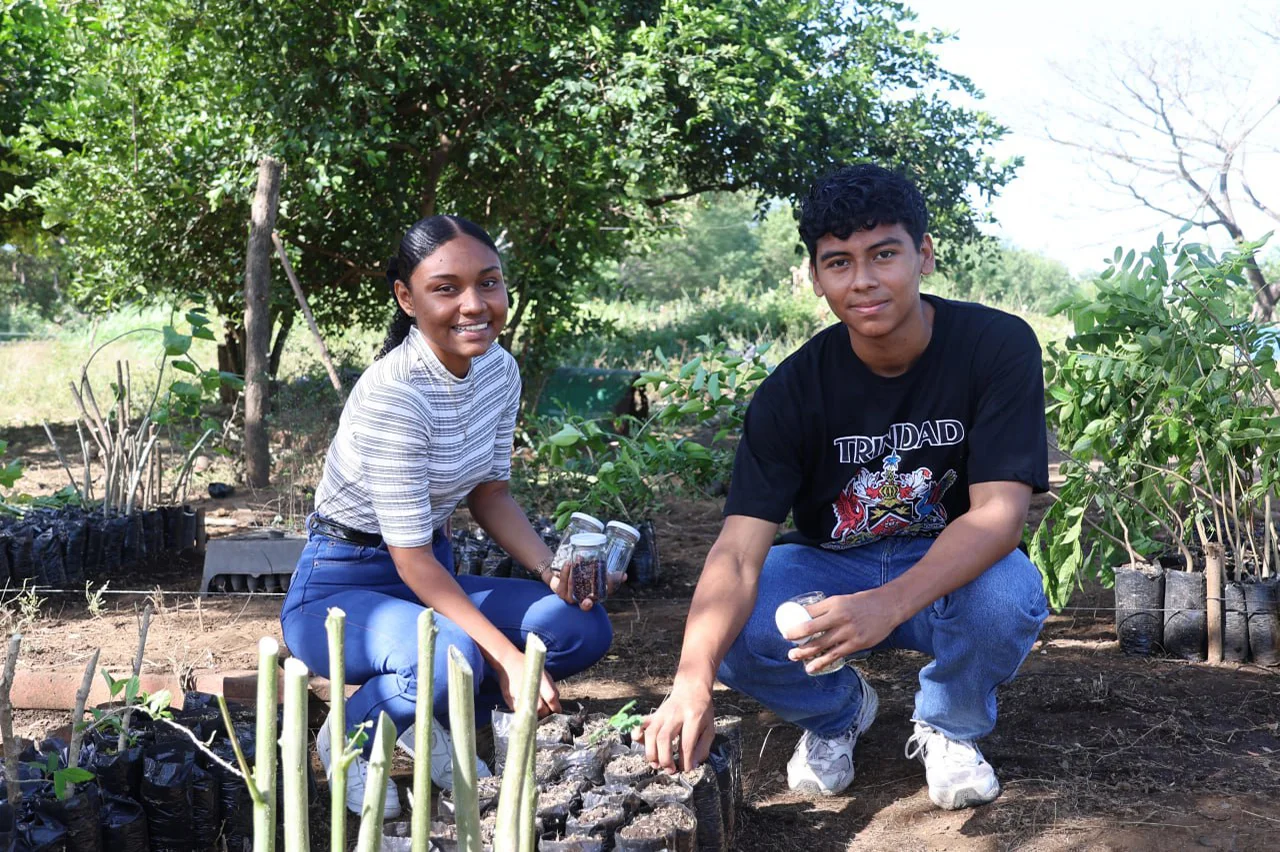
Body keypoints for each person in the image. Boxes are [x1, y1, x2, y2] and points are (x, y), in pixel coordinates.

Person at [635, 164, 1049, 810]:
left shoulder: (996, 348)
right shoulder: (791, 392)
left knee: (1010, 594)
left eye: (884, 254)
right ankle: (837, 714)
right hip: (831, 567)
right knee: (730, 630)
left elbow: (999, 516)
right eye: (838, 262)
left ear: (924, 255)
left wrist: (888, 602)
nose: (863, 280)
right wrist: (692, 680)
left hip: (947, 568)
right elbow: (738, 554)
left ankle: (949, 725)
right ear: (815, 276)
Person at [281, 215, 613, 818]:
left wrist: (549, 568)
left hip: (432, 572)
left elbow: (489, 494)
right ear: (406, 299)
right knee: (449, 654)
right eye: (445, 288)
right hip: (341, 587)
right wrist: (508, 661)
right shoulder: (395, 394)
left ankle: (422, 717)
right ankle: (348, 734)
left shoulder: (498, 370)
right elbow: (409, 562)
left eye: (488, 283)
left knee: (578, 628)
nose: (474, 305)